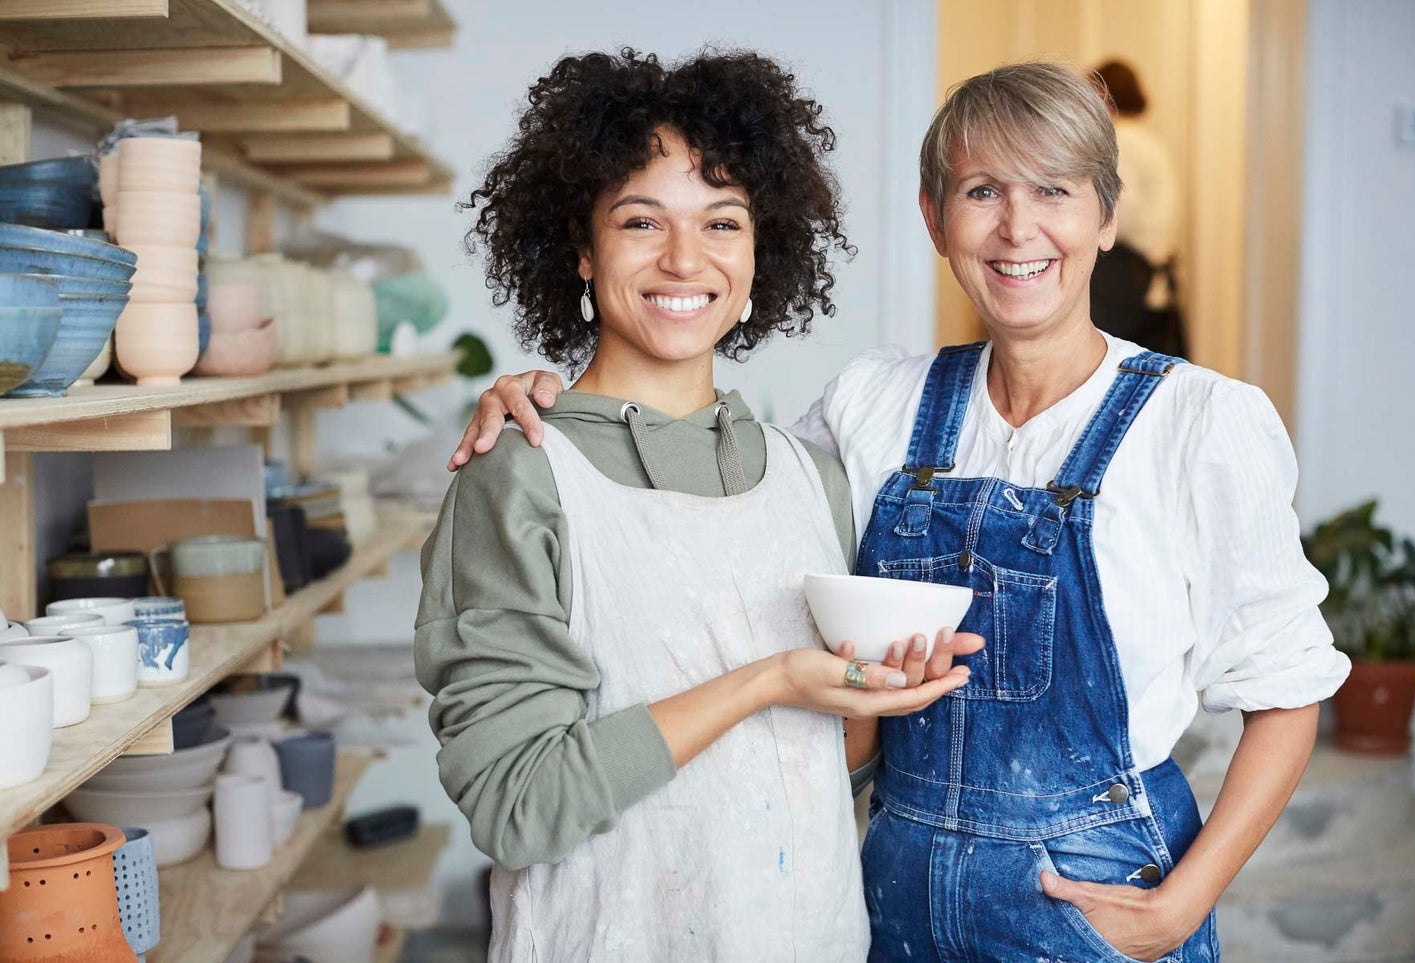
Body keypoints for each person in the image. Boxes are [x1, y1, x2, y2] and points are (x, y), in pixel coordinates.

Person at [452, 61, 1350, 963]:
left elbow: (1286, 691)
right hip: (890, 893)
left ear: (1105, 215)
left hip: (1095, 895)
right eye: (980, 191)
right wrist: (551, 406)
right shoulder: (870, 409)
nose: (1016, 228)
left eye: (1054, 190)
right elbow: (721, 507)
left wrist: (1178, 906)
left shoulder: (1202, 422)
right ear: (935, 219)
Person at [416, 48, 981, 963]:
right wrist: (767, 681)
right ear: (581, 247)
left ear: (762, 253)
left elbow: (819, 777)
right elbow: (517, 805)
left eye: (722, 222)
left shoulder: (811, 473)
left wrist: (871, 698)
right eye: (642, 220)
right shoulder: (519, 472)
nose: (685, 257)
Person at [1089, 58, 1187, 357]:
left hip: (1123, 270)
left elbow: (1118, 208)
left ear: (1103, 94)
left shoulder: (1121, 140)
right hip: (1147, 269)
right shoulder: (1151, 142)